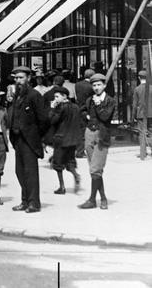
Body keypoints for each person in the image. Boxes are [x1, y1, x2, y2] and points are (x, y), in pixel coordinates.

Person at [8, 65, 48, 213]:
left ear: (28, 78)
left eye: (21, 78)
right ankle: (24, 201)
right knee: (20, 172)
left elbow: (43, 119)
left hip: (29, 140)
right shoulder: (16, 96)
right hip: (18, 139)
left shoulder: (34, 95)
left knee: (30, 173)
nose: (18, 81)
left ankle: (34, 203)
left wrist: (37, 136)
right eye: (16, 78)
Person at [78, 73, 115, 210]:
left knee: (95, 169)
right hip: (89, 133)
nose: (96, 88)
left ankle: (93, 199)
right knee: (94, 170)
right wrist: (86, 116)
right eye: (94, 85)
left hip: (102, 135)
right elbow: (81, 110)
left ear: (104, 85)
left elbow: (105, 117)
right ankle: (103, 198)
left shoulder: (109, 101)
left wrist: (99, 106)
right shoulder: (89, 100)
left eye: (99, 85)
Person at [48, 86, 81, 194]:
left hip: (60, 138)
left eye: (57, 96)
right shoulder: (75, 107)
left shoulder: (60, 107)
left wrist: (52, 108)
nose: (55, 99)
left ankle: (61, 187)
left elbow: (52, 120)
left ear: (64, 96)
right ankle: (75, 175)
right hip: (72, 139)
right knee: (70, 161)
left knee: (58, 163)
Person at [132, 70, 152, 160]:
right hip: (151, 114)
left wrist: (133, 116)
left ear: (139, 78)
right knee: (151, 133)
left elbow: (134, 104)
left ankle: (143, 154)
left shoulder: (137, 89)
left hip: (141, 114)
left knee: (142, 133)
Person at [75, 68, 95, 157]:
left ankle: (80, 150)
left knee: (80, 131)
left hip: (79, 109)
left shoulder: (77, 85)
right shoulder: (91, 87)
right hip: (88, 110)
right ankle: (86, 150)